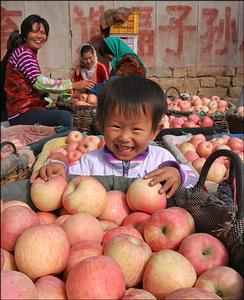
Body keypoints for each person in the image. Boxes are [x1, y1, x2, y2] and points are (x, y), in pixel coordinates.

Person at [31, 75, 197, 199]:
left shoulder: (161, 160)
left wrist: (177, 174)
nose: (124, 137)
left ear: (155, 130)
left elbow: (194, 178)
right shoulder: (90, 163)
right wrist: (59, 163)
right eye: (116, 127)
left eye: (136, 129)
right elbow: (66, 178)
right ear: (101, 123)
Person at [0, 14, 95, 127]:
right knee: (65, 117)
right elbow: (40, 83)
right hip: (21, 112)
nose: (39, 36)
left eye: (43, 33)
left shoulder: (27, 52)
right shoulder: (24, 54)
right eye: (35, 32)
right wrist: (73, 85)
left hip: (28, 108)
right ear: (25, 34)